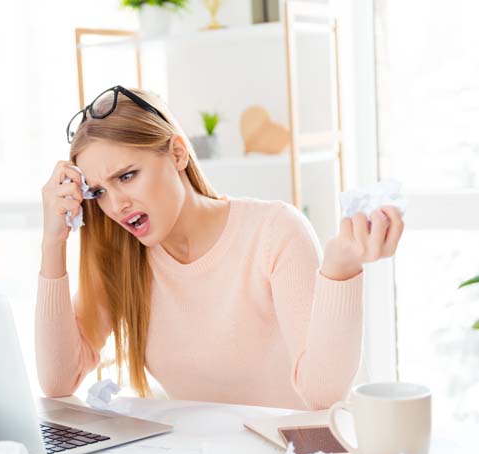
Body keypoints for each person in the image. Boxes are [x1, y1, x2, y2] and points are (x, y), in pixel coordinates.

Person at [35, 86, 404, 410]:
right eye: (98, 191)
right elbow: (57, 381)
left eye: (127, 176)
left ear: (178, 154)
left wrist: (339, 270)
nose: (115, 206)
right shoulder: (123, 259)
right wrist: (53, 242)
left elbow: (322, 396)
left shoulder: (274, 232)